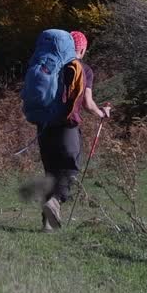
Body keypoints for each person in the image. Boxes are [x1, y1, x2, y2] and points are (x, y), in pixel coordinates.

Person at [39, 30, 110, 230]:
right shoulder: (83, 69)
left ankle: (48, 224)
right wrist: (101, 113)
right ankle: (55, 201)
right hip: (66, 126)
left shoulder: (48, 66)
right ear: (82, 49)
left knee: (51, 172)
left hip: (43, 126)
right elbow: (87, 103)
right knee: (70, 169)